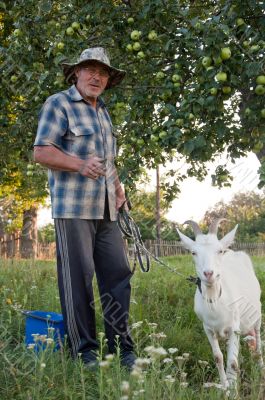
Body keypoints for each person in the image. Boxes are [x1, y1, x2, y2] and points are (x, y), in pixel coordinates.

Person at [34, 47, 135, 369]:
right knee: (78, 279)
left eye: (103, 72)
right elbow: (41, 152)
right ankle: (85, 351)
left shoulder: (103, 112)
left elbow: (107, 162)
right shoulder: (58, 104)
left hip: (107, 209)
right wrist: (78, 165)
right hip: (73, 208)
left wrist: (118, 189)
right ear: (75, 73)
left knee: (118, 276)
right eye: (90, 70)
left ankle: (123, 349)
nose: (97, 77)